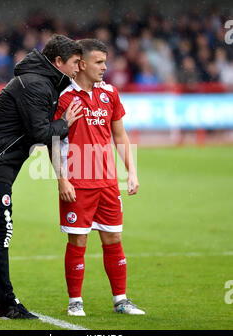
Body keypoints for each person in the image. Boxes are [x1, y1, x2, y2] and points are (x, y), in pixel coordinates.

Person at [0, 34, 83, 319]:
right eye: (75, 63)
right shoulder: (37, 84)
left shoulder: (39, 80)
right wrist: (65, 123)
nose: (78, 69)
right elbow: (40, 133)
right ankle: (7, 304)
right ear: (59, 61)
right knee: (1, 232)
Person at [53, 39, 145, 316]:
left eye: (105, 61)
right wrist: (62, 179)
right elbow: (54, 140)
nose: (105, 67)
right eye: (99, 62)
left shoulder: (110, 94)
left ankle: (121, 300)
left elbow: (119, 135)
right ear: (81, 64)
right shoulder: (64, 97)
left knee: (113, 238)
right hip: (77, 182)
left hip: (107, 182)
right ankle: (75, 303)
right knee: (78, 241)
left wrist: (132, 171)